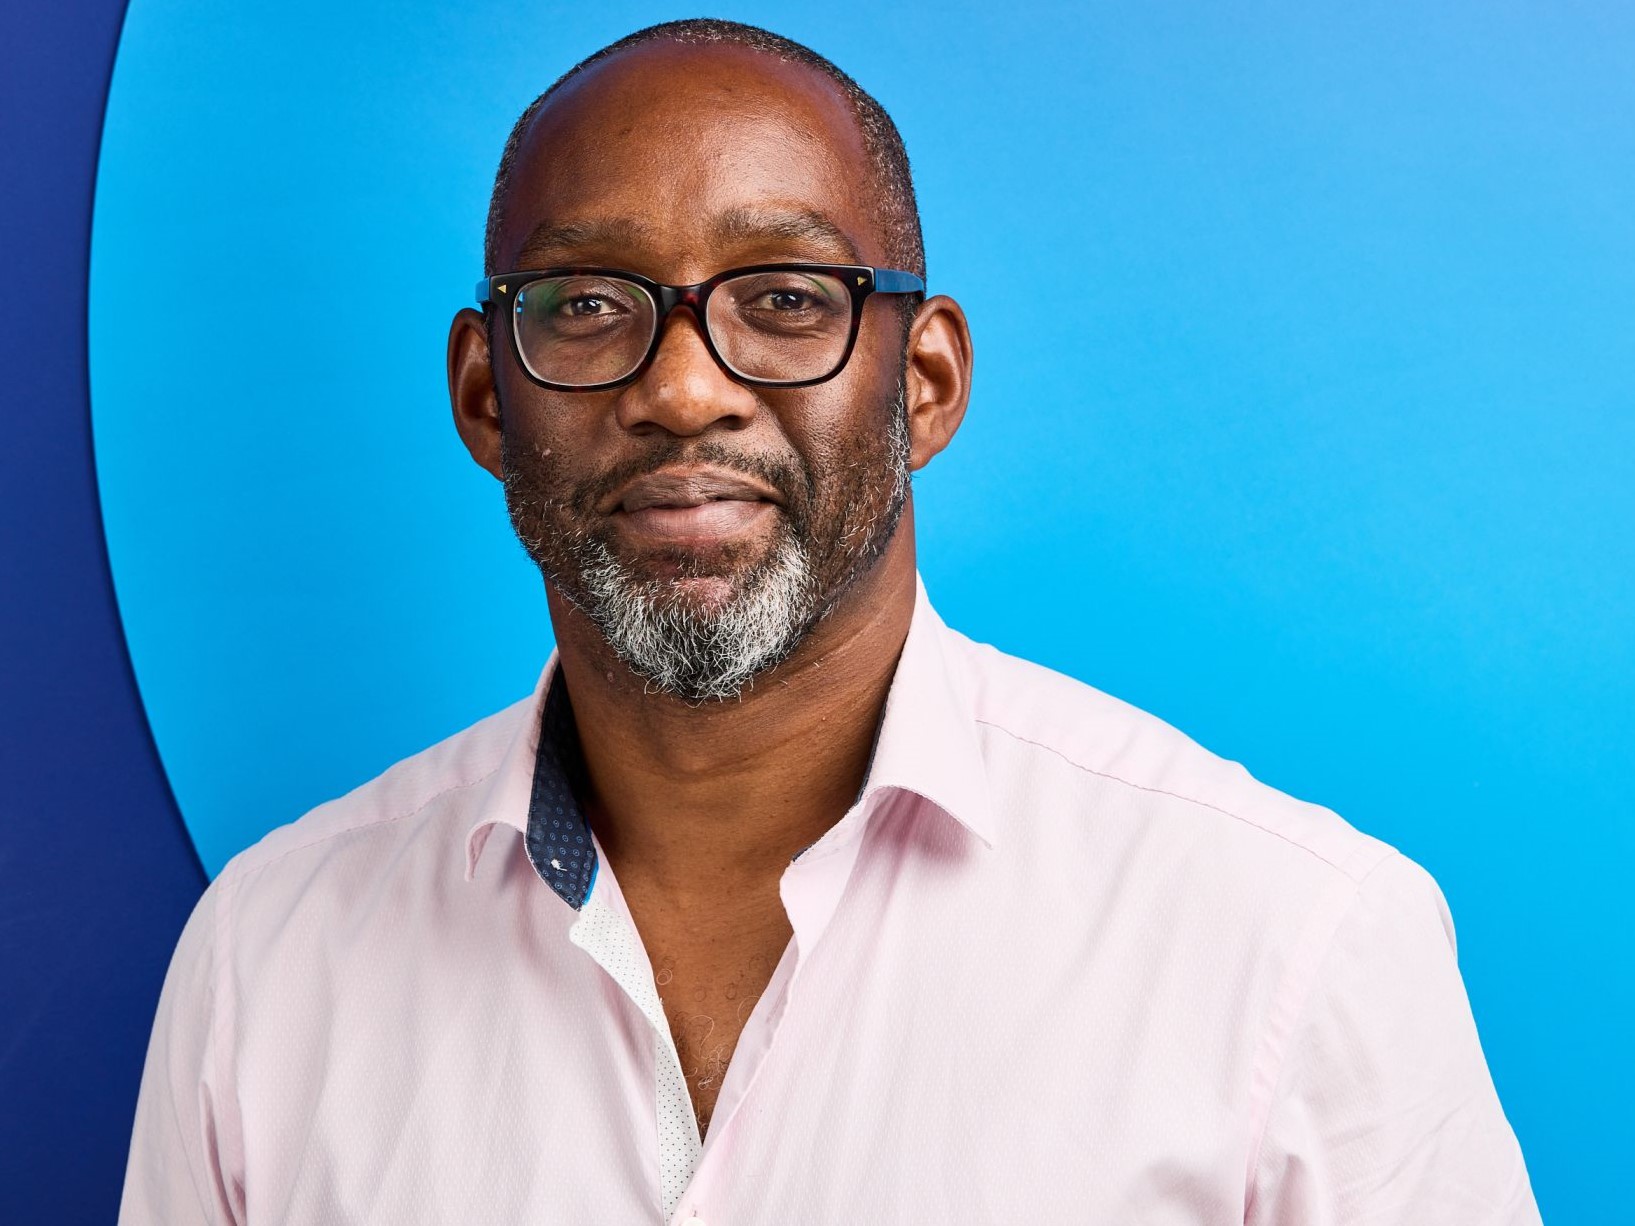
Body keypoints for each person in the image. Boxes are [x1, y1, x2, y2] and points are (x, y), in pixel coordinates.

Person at [120, 18, 1541, 1225]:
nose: (683, 389)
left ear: (922, 383)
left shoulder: (1294, 945)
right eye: (591, 305)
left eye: (788, 299)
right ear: (490, 395)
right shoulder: (269, 962)